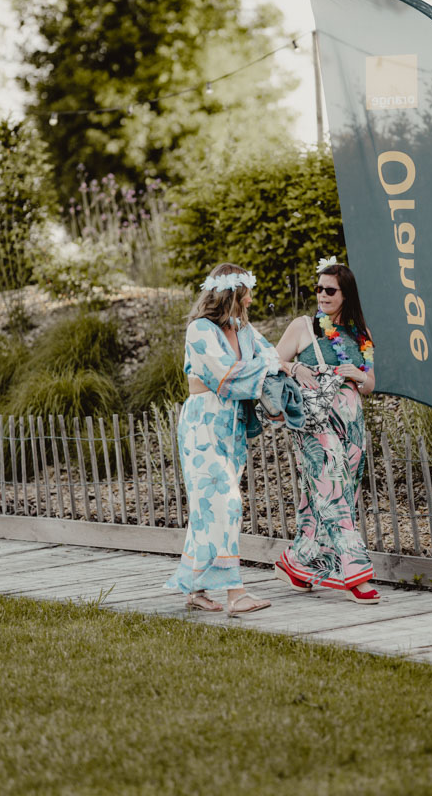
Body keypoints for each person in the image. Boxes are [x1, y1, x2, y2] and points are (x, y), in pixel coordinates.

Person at [165, 262, 293, 615]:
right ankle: (236, 593)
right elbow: (225, 375)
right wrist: (270, 366)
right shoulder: (200, 330)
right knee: (226, 503)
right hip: (203, 425)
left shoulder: (242, 329)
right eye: (246, 293)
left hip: (232, 426)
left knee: (208, 508)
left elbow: (270, 355)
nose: (250, 300)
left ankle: (196, 588)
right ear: (230, 294)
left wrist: (282, 367)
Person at [274, 257, 381, 604]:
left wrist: (358, 374)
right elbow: (270, 360)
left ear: (345, 294)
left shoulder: (361, 335)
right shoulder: (304, 326)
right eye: (318, 288)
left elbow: (370, 385)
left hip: (351, 424)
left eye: (330, 290)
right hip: (316, 422)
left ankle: (297, 562)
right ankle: (356, 574)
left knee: (335, 494)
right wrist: (295, 368)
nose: (322, 295)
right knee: (331, 489)